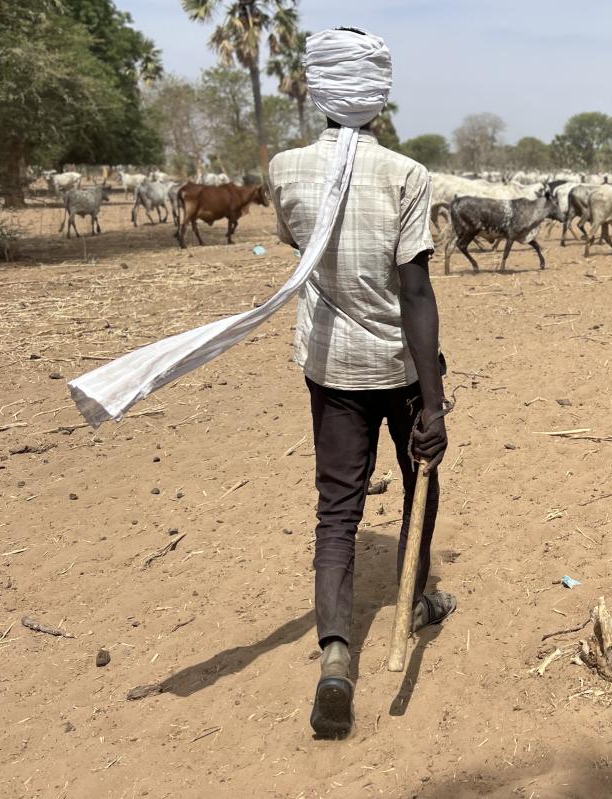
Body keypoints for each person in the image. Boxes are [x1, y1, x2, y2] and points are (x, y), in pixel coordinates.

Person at [268, 27, 452, 740]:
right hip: (400, 370)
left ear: (319, 89)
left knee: (336, 509)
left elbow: (303, 251)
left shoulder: (285, 171)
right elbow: (415, 292)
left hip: (330, 368)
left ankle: (337, 656)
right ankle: (413, 606)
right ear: (379, 96)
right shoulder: (407, 175)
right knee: (422, 482)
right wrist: (432, 402)